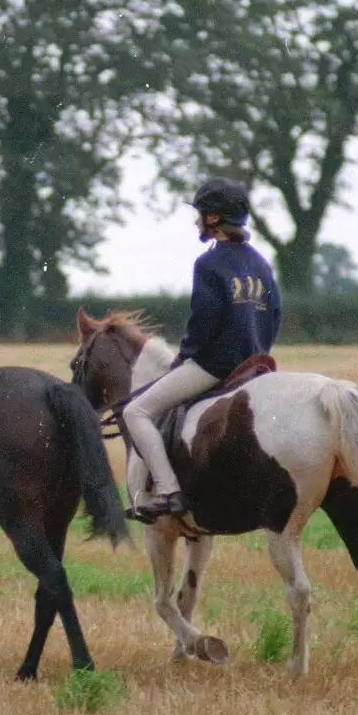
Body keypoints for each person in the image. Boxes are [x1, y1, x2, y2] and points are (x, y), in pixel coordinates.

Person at [121, 176, 282, 521]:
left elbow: (204, 321)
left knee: (135, 412)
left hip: (214, 366)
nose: (196, 220)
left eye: (200, 213)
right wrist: (257, 349)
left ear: (212, 219)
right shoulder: (261, 263)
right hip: (255, 364)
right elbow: (275, 315)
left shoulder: (208, 264)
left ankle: (167, 491)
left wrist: (184, 356)